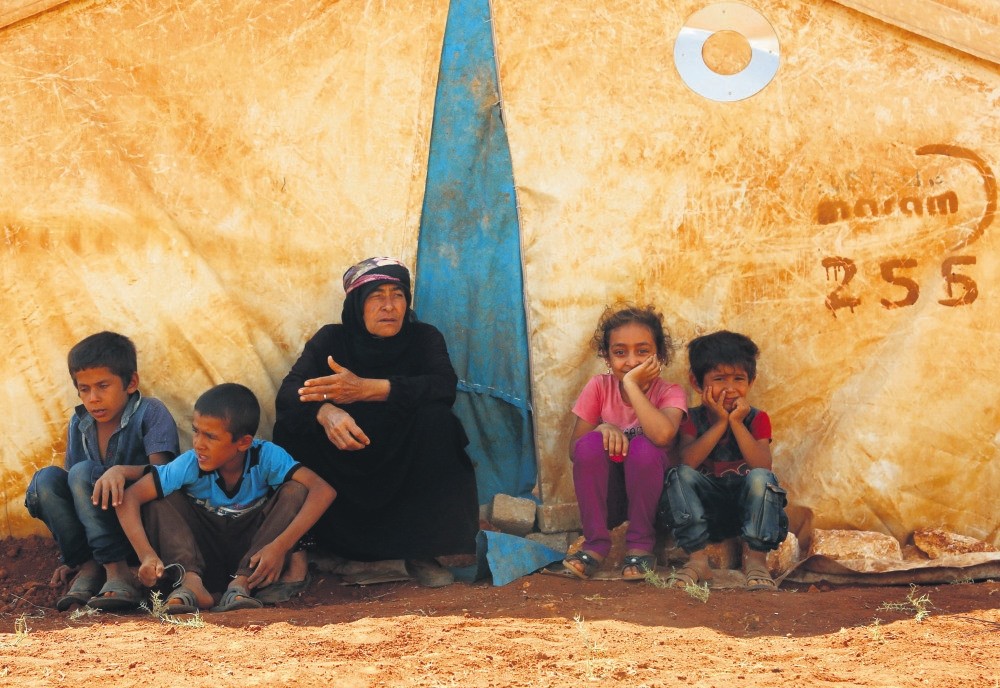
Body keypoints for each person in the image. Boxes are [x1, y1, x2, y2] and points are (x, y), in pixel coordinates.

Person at [273, 256, 479, 588]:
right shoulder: (331, 341)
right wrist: (325, 412)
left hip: (403, 459)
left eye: (397, 295)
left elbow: (443, 386)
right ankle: (321, 549)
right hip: (346, 459)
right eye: (376, 296)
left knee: (438, 420)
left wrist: (369, 390)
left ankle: (420, 552)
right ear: (357, 304)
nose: (389, 306)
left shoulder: (423, 338)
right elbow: (288, 393)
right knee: (292, 427)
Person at [116, 383, 336, 612]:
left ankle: (241, 585)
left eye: (210, 436)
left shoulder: (266, 456)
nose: (198, 443)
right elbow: (130, 498)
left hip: (253, 556)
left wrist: (280, 547)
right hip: (200, 555)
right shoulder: (191, 463)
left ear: (243, 442)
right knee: (158, 497)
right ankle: (192, 584)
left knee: (295, 490)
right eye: (196, 431)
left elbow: (323, 490)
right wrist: (147, 556)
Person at [24, 331, 180, 612]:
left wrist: (122, 471)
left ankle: (118, 571)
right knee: (44, 481)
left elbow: (166, 472)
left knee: (84, 472)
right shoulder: (79, 422)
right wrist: (67, 560)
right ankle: (88, 566)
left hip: (137, 529)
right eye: (84, 389)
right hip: (94, 531)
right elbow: (74, 490)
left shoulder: (150, 412)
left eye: (103, 386)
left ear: (131, 382)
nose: (93, 398)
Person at [562, 305, 687, 581]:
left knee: (644, 447)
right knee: (590, 443)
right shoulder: (598, 387)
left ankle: (641, 545)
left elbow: (663, 436)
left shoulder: (670, 392)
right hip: (613, 502)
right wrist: (603, 428)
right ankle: (596, 543)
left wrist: (630, 385)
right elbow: (575, 451)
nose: (631, 361)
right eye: (620, 352)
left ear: (660, 355)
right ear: (606, 357)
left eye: (642, 351)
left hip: (655, 505)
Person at [660, 330, 788, 591]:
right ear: (697, 383)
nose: (730, 389)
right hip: (706, 512)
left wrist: (737, 423)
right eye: (719, 379)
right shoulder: (692, 419)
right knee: (678, 475)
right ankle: (697, 559)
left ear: (751, 381)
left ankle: (755, 559)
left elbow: (762, 466)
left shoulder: (756, 419)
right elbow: (688, 462)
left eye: (738, 379)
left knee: (763, 479)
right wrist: (720, 423)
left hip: (745, 511)